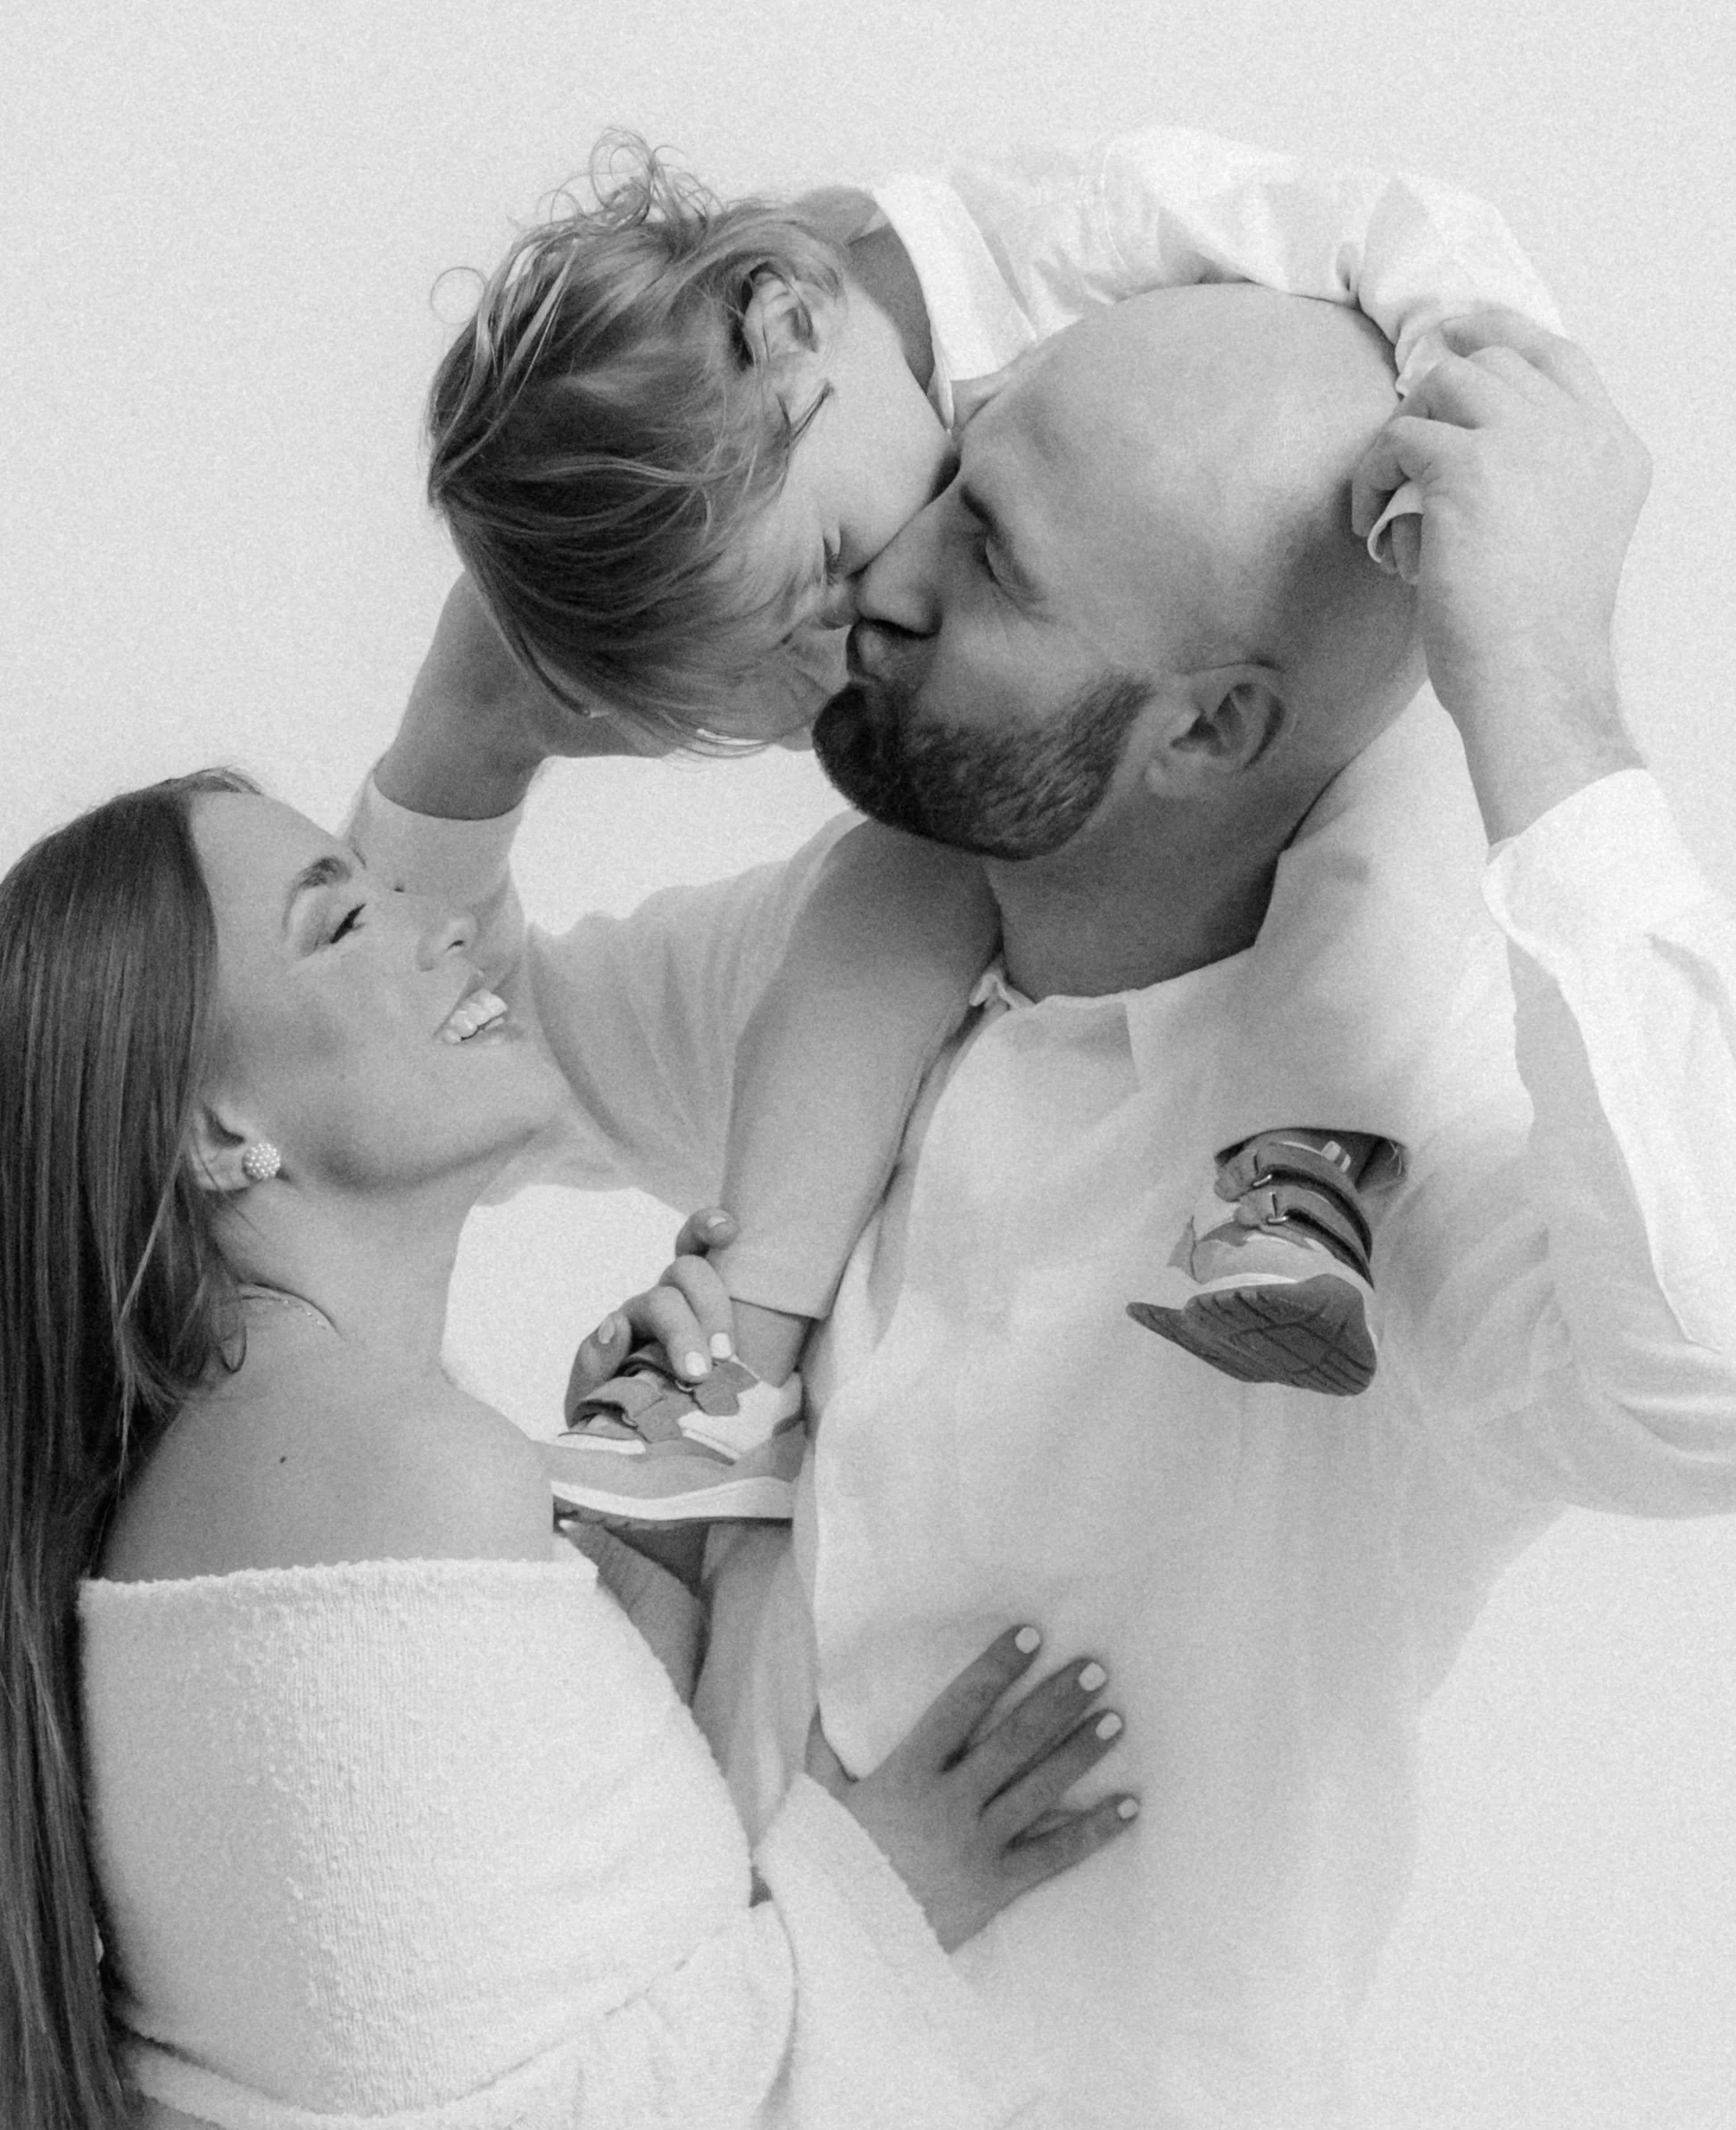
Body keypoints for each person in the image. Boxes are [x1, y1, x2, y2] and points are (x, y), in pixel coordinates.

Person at [359, 286, 1736, 2130]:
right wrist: (469, 727)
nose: (885, 572)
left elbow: (1701, 1375)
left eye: (990, 559)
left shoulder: (1402, 1142)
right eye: (958, 460)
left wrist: (1552, 709)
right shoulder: (828, 970)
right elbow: (375, 1087)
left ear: (1204, 719)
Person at [0, 768, 1142, 2130]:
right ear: (219, 1124)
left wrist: (625, 1559)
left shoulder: (300, 1453)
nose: (434, 927)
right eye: (338, 918)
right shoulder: (369, 1458)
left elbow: (460, 1997)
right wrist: (880, 1900)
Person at [417, 126, 1561, 1523]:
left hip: (1374, 629)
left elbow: (1389, 207)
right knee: (870, 913)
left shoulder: (1041, 244)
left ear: (793, 317)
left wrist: (1472, 387)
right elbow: (427, 1062)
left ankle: (1297, 1170)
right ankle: (745, 1344)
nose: (866, 614)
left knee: (1386, 851)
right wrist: (465, 747)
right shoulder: (811, 437)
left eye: (832, 563)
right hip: (1144, 744)